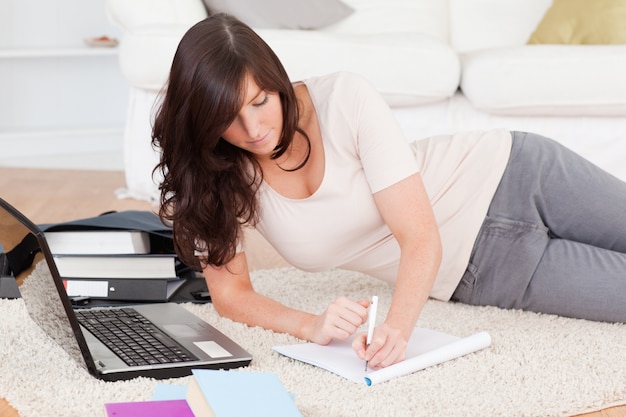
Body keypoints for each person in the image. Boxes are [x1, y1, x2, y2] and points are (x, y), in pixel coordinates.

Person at [152, 14, 626, 369]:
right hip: (484, 271)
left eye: (260, 102)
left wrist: (397, 328)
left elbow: (419, 237)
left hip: (518, 172)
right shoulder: (216, 174)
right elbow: (231, 294)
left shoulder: (344, 98)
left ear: (276, 83)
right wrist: (308, 324)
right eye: (229, 118)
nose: (254, 128)